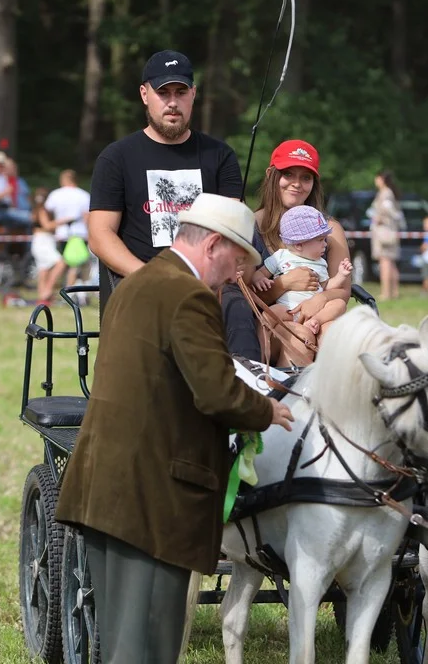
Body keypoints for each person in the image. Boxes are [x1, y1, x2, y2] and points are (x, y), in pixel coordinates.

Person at [54, 193, 294, 664]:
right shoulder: (189, 295)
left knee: (126, 642)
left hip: (110, 488)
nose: (234, 276)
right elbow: (217, 392)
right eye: (236, 260)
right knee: (147, 646)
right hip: (152, 498)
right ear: (212, 245)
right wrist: (267, 411)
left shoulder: (139, 283)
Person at [86, 49, 244, 323]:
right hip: (141, 284)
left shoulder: (220, 155)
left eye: (180, 92)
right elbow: (100, 235)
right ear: (145, 95)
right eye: (163, 93)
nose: (173, 102)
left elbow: (234, 228)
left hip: (208, 285)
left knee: (238, 310)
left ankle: (239, 368)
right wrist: (149, 277)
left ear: (193, 94)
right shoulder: (116, 157)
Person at [246, 139, 352, 363]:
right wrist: (286, 284)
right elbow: (246, 295)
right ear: (272, 175)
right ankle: (288, 396)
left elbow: (343, 291)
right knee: (301, 336)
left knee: (334, 333)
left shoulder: (331, 229)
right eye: (288, 174)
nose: (296, 184)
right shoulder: (251, 225)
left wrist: (320, 299)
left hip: (319, 314)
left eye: (306, 177)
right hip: (275, 318)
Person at [250, 204, 352, 338]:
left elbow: (326, 286)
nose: (325, 244)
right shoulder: (281, 256)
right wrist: (259, 279)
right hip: (287, 309)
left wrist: (341, 275)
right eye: (320, 240)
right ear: (298, 245)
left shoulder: (320, 263)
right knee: (268, 315)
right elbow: (260, 273)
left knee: (339, 304)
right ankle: (263, 349)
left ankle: (315, 321)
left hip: (314, 310)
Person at [45, 169, 92, 288]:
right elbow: (87, 217)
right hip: (80, 235)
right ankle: (67, 292)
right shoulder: (84, 195)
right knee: (74, 266)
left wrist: (51, 225)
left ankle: (52, 290)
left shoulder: (56, 194)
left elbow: (47, 210)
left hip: (62, 234)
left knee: (63, 263)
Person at [29, 187, 69, 305]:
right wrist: (62, 221)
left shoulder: (35, 210)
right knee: (61, 263)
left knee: (44, 269)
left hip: (40, 241)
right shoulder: (42, 210)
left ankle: (42, 297)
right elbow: (47, 226)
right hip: (43, 241)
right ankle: (47, 290)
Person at [370, 170, 404, 301]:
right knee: (391, 263)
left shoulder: (385, 194)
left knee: (385, 262)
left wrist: (381, 219)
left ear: (381, 179)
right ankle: (394, 291)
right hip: (389, 232)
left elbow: (391, 212)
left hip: (385, 232)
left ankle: (386, 292)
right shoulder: (389, 193)